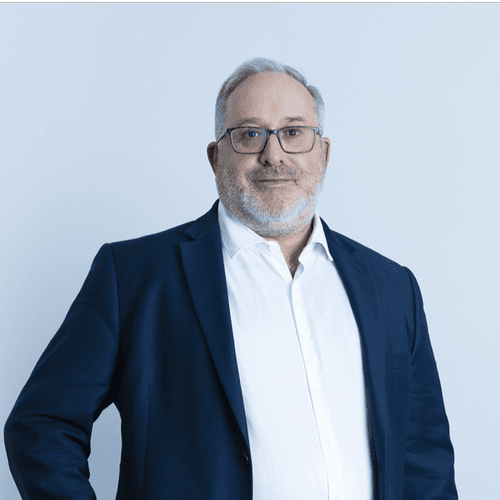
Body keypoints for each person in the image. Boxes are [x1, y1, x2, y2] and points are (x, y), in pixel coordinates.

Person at [5, 58, 458, 500]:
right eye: (250, 134)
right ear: (215, 156)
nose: (273, 155)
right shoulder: (134, 276)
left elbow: (425, 460)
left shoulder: (391, 288)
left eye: (294, 132)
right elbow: (41, 426)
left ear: (323, 153)